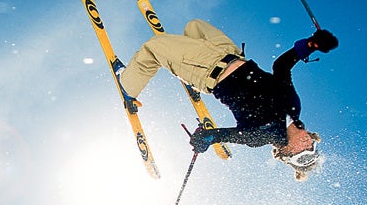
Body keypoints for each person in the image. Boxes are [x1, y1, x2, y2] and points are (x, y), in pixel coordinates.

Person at [114, 19, 338, 180]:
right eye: (314, 148)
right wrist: (311, 46)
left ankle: (128, 83)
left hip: (207, 69)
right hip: (230, 53)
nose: (309, 145)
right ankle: (181, 55)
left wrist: (206, 138)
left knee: (153, 47)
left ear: (287, 153)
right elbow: (281, 67)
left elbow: (222, 135)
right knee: (194, 26)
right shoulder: (294, 107)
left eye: (303, 156)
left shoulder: (262, 134)